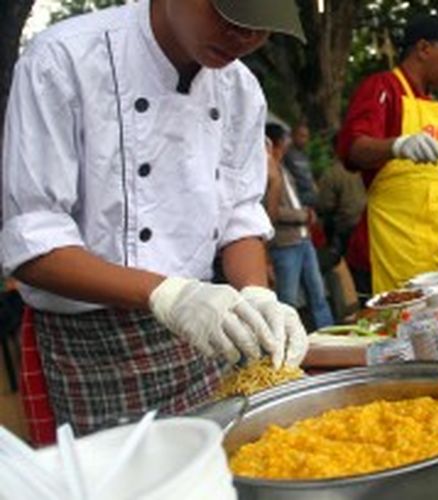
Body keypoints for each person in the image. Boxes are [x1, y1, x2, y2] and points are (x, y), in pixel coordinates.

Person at [1, 0, 309, 436]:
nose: (246, 38)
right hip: (93, 347)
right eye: (232, 17)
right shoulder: (64, 59)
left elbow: (240, 213)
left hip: (203, 335)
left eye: (262, 28)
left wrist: (257, 295)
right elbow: (34, 243)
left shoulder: (241, 89)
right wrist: (171, 297)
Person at [337, 14, 438, 294]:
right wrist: (397, 146)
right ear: (424, 48)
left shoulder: (436, 107)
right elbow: (353, 149)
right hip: (392, 254)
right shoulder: (383, 88)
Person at [265, 124, 334, 329]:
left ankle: (329, 337)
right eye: (284, 142)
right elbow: (271, 212)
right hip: (285, 244)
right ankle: (287, 346)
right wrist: (302, 215)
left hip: (303, 240)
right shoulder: (264, 173)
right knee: (288, 301)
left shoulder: (284, 169)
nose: (288, 146)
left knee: (319, 294)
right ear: (274, 145)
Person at [317, 136, 367, 259]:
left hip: (346, 227)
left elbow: (325, 205)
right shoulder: (367, 168)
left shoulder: (332, 174)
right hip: (369, 223)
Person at [283, 123, 318, 208]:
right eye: (301, 136)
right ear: (293, 136)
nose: (305, 140)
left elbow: (310, 178)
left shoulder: (304, 156)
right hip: (298, 194)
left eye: (306, 137)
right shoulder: (286, 154)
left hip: (310, 194)